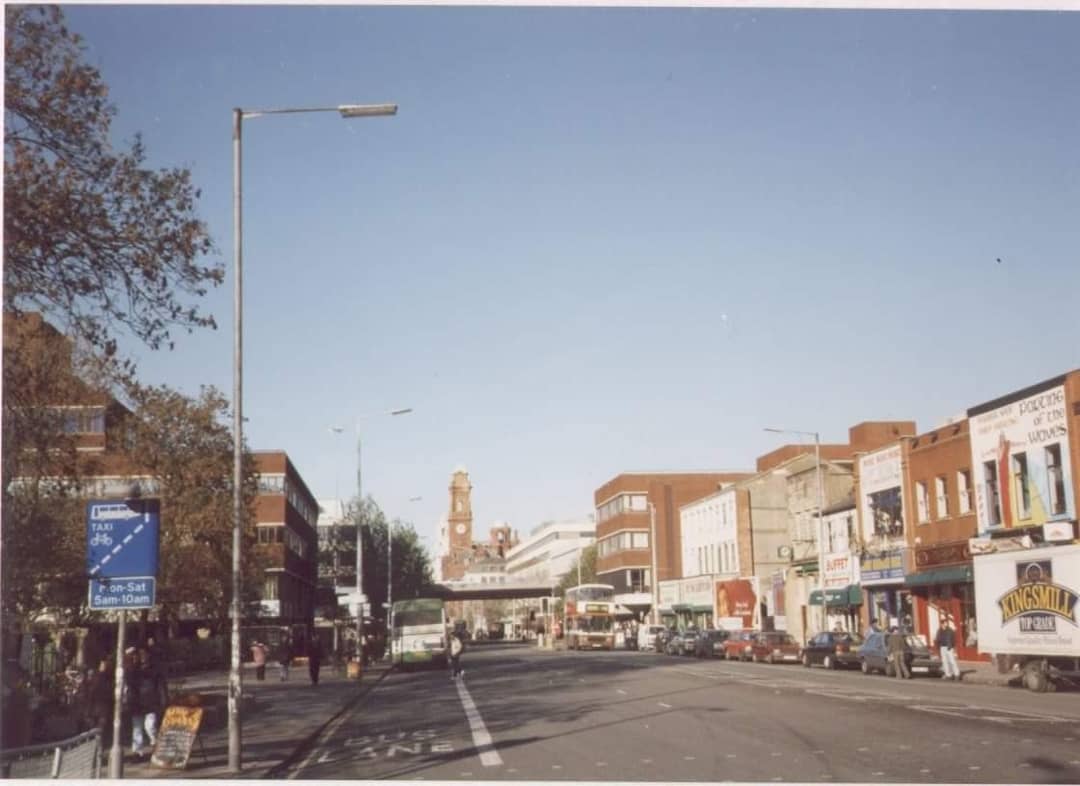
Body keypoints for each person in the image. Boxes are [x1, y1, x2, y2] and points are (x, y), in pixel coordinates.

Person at [131, 649, 160, 756]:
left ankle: (155, 741)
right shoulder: (134, 670)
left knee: (150, 726)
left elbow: (159, 684)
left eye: (144, 655)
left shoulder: (154, 669)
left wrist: (161, 699)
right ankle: (137, 750)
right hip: (137, 702)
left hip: (150, 701)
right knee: (137, 727)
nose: (142, 658)